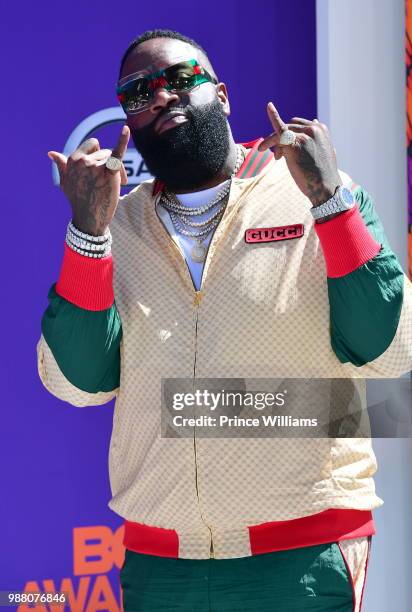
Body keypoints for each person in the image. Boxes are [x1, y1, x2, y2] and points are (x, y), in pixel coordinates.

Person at [38, 29, 412, 612]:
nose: (163, 96)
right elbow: (77, 383)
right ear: (129, 120)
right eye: (139, 92)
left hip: (302, 554)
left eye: (182, 78)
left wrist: (330, 201)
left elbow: (389, 348)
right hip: (161, 565)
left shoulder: (316, 197)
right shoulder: (117, 227)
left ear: (224, 94)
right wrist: (88, 232)